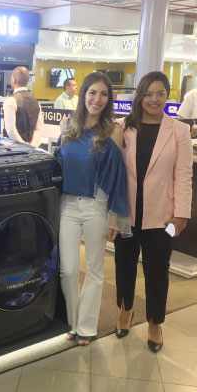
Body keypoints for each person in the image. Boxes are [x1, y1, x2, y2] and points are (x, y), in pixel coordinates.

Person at [114, 71, 193, 353]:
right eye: (148, 94)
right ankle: (126, 310)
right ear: (140, 96)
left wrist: (181, 214)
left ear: (168, 95)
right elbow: (112, 170)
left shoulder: (179, 130)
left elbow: (183, 174)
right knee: (124, 265)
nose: (154, 100)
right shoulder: (122, 126)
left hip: (163, 216)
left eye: (160, 94)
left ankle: (155, 322)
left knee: (158, 270)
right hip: (126, 212)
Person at [55, 71, 131, 346]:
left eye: (103, 94)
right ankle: (73, 322)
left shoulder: (113, 131)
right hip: (67, 204)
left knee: (95, 270)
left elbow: (118, 177)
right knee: (68, 269)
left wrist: (114, 217)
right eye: (92, 92)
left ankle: (86, 328)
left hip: (97, 206)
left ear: (109, 99)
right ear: (83, 95)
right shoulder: (67, 124)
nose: (97, 99)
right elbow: (58, 166)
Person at [2, 66, 43, 147]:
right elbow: (38, 129)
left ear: (14, 80)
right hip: (31, 149)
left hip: (11, 148)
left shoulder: (10, 101)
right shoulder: (36, 103)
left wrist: (24, 146)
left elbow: (11, 131)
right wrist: (32, 146)